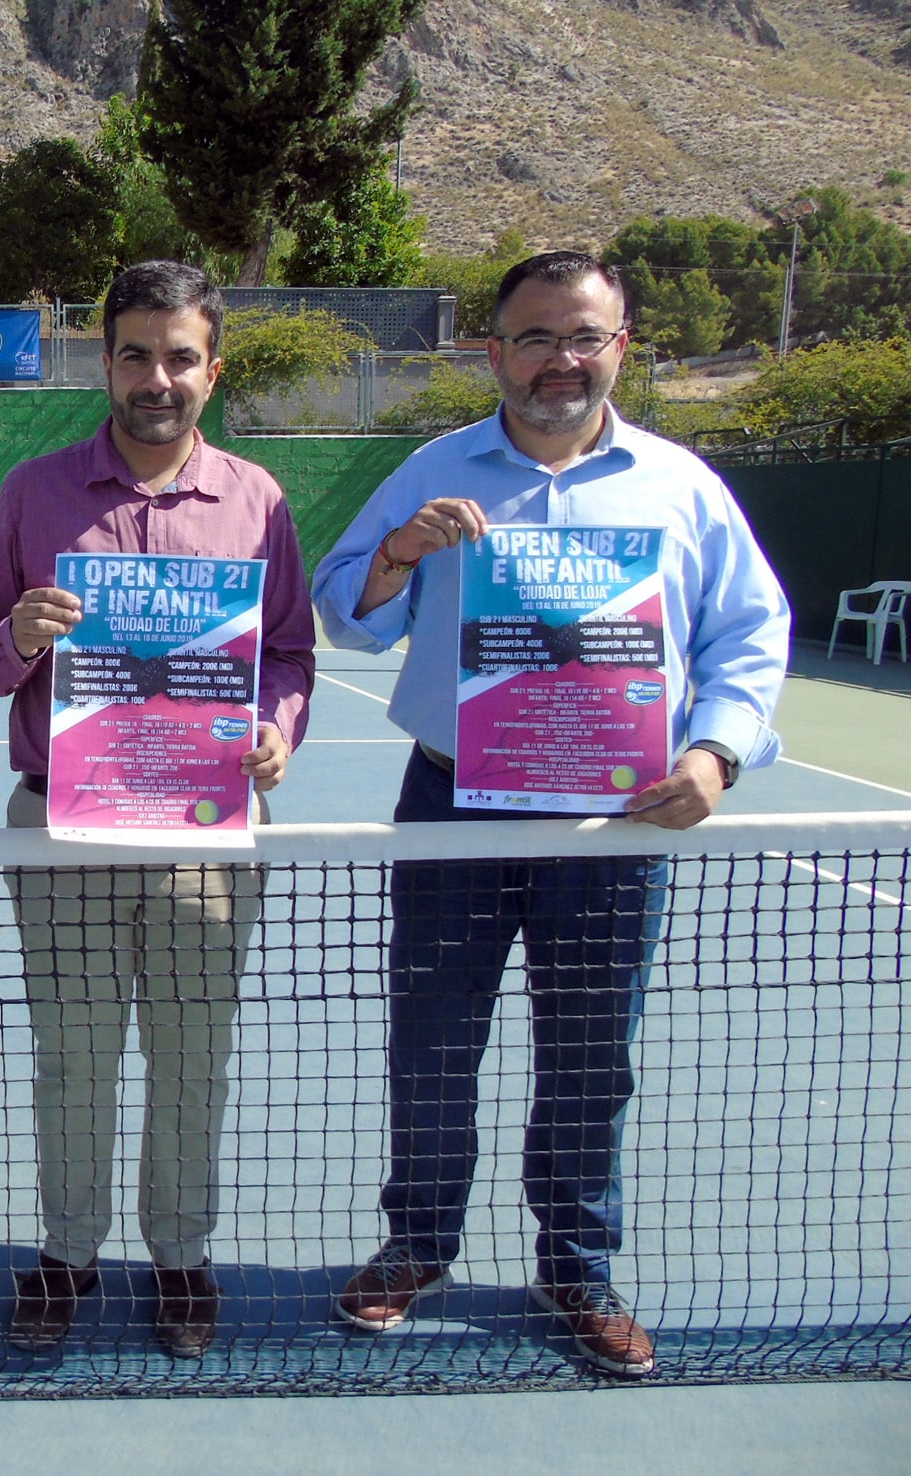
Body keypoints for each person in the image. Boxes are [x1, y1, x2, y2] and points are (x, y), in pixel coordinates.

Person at [312, 251, 789, 1378]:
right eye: (534, 337)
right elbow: (346, 615)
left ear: (621, 347)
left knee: (589, 1052)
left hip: (611, 824)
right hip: (452, 803)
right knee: (431, 1040)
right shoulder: (429, 469)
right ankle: (416, 1244)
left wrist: (717, 753)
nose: (559, 360)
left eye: (584, 337)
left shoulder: (681, 487)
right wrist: (395, 552)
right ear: (494, 351)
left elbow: (749, 635)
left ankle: (576, 1265)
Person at [0, 260, 315, 1358]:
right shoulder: (33, 490)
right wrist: (15, 635)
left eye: (180, 356)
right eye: (135, 354)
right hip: (62, 828)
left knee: (190, 1055)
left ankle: (181, 1259)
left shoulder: (259, 500)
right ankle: (66, 1257)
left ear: (213, 367)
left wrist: (276, 732)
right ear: (103, 361)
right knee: (74, 1056)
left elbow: (288, 655)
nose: (158, 376)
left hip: (205, 837)